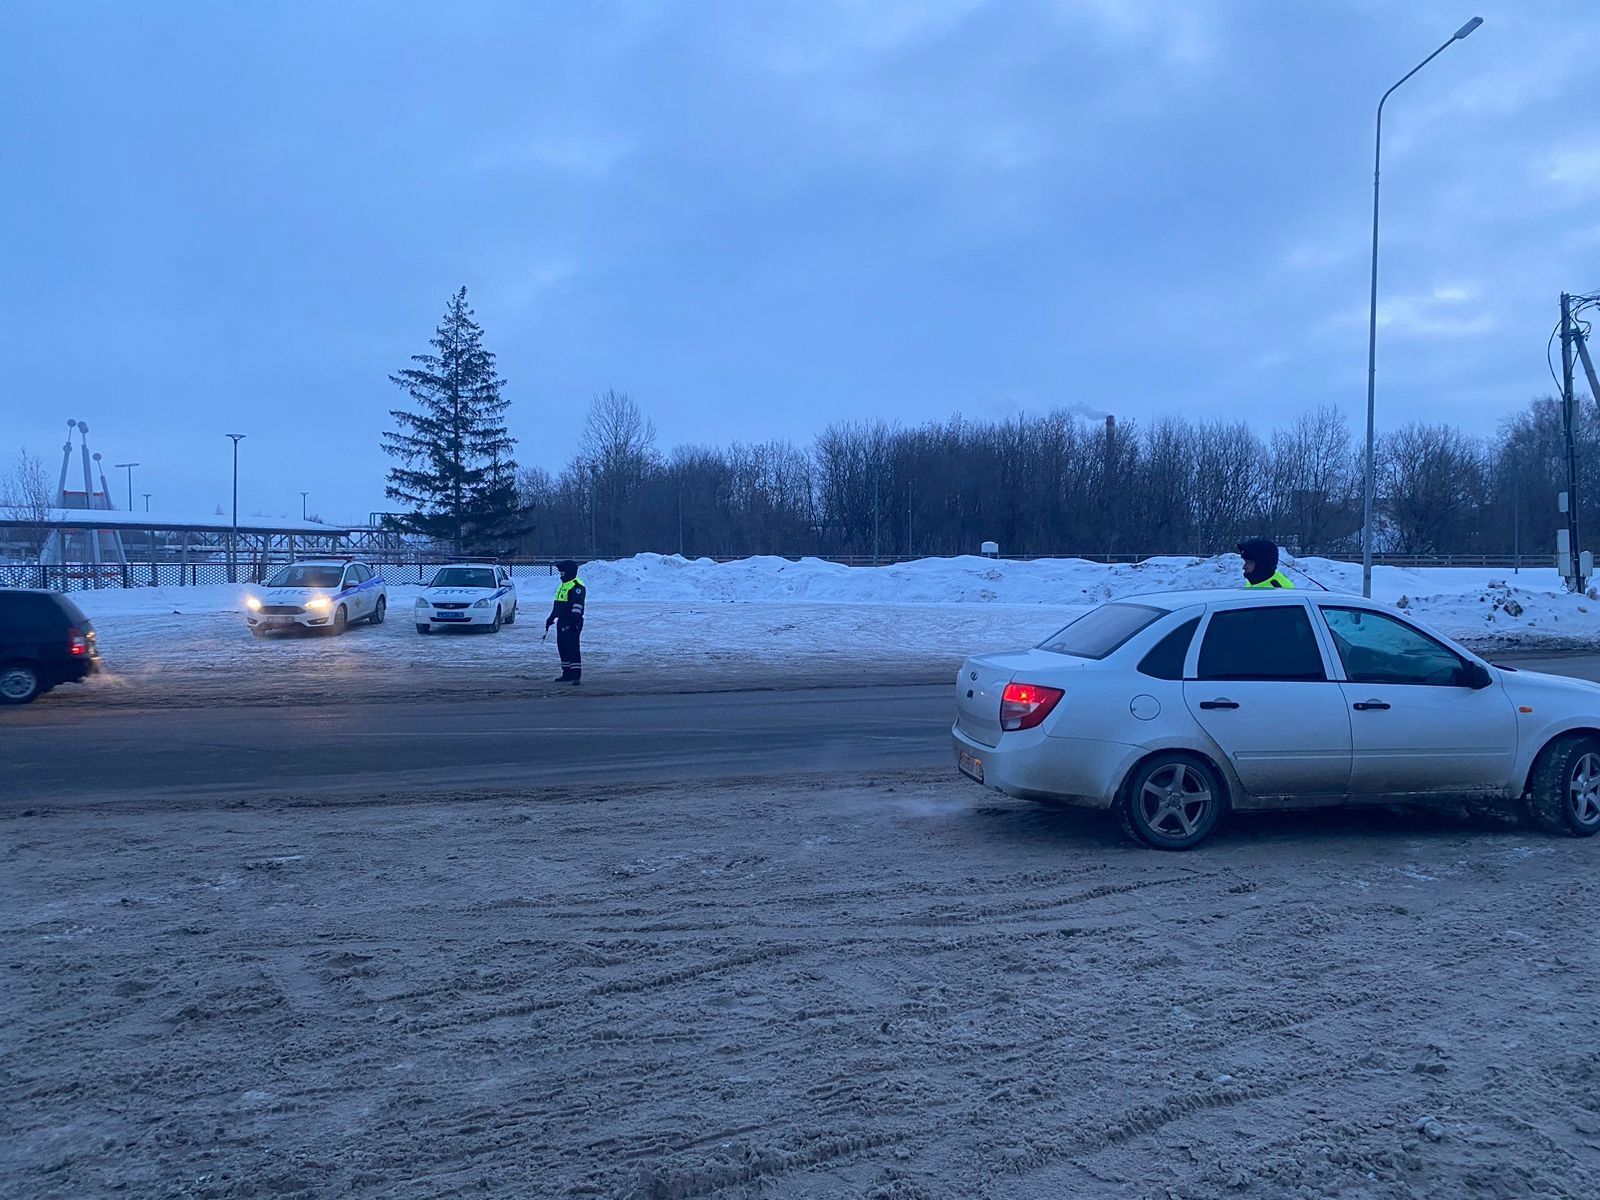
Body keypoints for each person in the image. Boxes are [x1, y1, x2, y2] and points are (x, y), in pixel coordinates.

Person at [545, 560, 586, 684]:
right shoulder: (564, 585)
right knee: (563, 648)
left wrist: (574, 622)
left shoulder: (577, 586)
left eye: (562, 572)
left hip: (572, 622)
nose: (560, 575)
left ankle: (575, 675)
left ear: (569, 572)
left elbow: (577, 606)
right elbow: (558, 605)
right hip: (562, 621)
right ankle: (566, 673)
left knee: (572, 648)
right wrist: (551, 618)